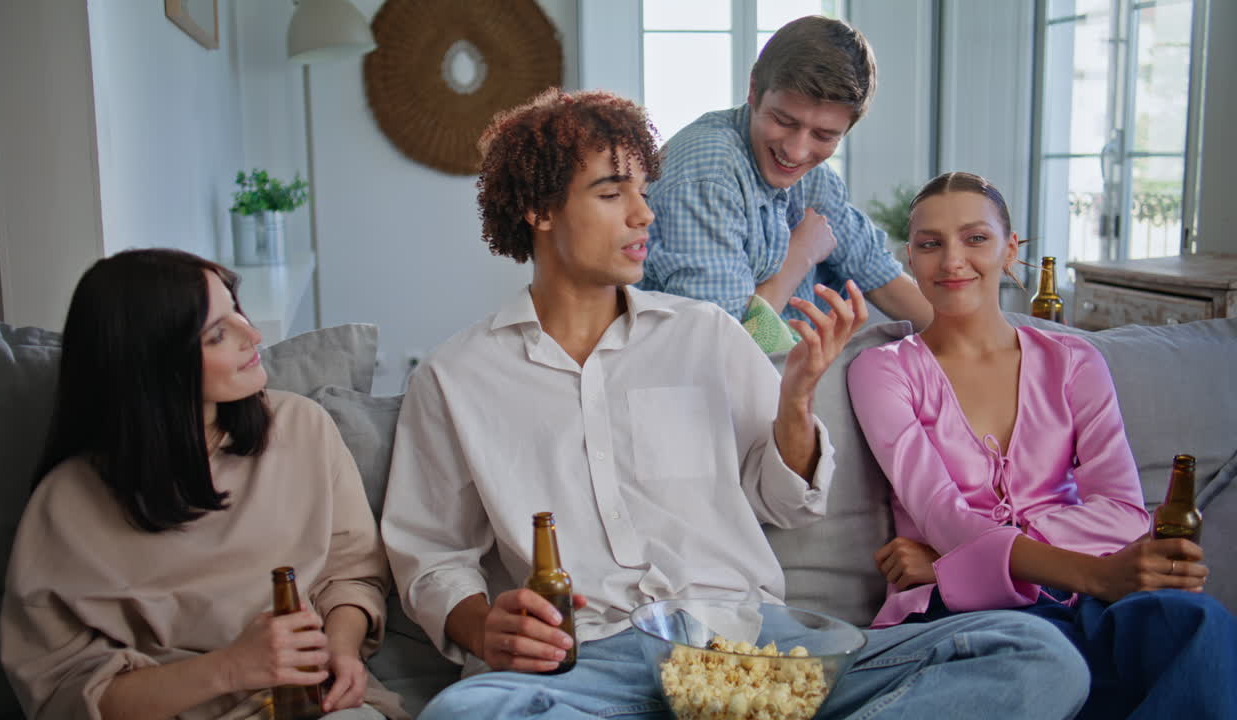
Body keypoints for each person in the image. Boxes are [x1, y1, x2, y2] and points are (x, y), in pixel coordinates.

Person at [381, 88, 1089, 720]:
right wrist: (481, 626)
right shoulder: (457, 377)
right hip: (589, 668)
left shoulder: (706, 333)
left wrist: (796, 401)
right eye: (610, 193)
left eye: (643, 190)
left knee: (1033, 653)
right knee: (469, 712)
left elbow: (781, 501)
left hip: (753, 653)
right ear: (539, 211)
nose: (642, 213)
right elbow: (433, 557)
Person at [847, 171, 1237, 719]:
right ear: (910, 258)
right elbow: (945, 519)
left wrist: (951, 562)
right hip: (961, 611)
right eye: (930, 244)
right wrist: (1094, 572)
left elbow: (1125, 514)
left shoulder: (1074, 362)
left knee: (1198, 625)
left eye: (975, 238)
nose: (952, 260)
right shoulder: (883, 372)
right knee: (1056, 668)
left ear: (1010, 250)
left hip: (1079, 601)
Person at [0, 249, 406, 720]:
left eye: (236, 308)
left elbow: (351, 574)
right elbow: (66, 696)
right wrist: (231, 669)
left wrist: (342, 651)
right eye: (218, 333)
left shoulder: (301, 427)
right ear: (152, 364)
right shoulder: (68, 505)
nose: (252, 335)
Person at [638, 15, 932, 353]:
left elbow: (876, 272)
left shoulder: (815, 179)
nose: (796, 150)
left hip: (792, 380)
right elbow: (722, 348)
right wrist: (800, 255)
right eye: (783, 120)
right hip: (705, 390)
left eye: (824, 135)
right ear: (753, 90)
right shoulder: (709, 174)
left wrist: (975, 340)